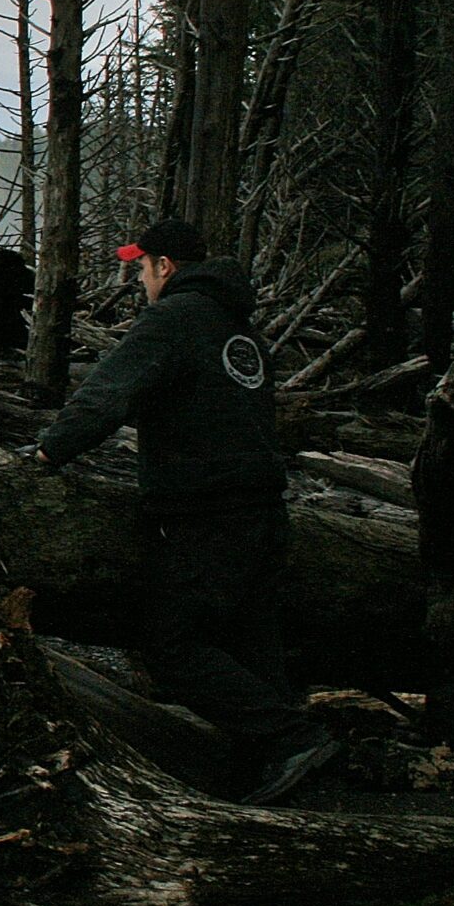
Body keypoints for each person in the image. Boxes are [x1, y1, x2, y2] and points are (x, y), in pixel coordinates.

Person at [28, 218, 340, 805]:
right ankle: (273, 771)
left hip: (206, 515)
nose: (139, 277)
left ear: (164, 266)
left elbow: (108, 391)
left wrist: (49, 450)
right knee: (251, 645)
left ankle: (295, 739)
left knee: (172, 649)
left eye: (141, 266)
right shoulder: (240, 331)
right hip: (263, 510)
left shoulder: (171, 320)